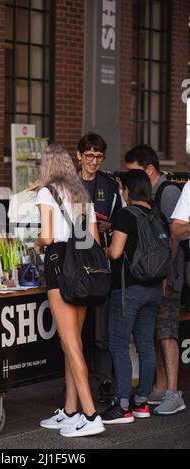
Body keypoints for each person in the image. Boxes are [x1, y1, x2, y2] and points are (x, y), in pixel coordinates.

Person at [34, 143, 105, 438]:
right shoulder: (81, 194)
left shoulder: (45, 192)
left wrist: (36, 243)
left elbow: (48, 236)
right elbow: (94, 240)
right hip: (85, 269)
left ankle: (90, 415)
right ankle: (71, 410)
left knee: (70, 343)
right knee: (71, 343)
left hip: (60, 267)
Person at [125, 145, 186, 415]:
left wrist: (164, 273)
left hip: (168, 275)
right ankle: (160, 386)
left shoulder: (168, 192)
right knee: (154, 330)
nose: (128, 178)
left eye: (133, 172)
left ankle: (173, 392)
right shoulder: (149, 194)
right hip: (156, 274)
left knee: (167, 330)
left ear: (149, 169)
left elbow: (174, 234)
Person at [101, 170, 163, 424]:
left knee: (118, 344)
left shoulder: (125, 215)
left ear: (127, 189)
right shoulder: (158, 215)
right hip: (154, 289)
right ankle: (141, 404)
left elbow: (115, 253)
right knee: (146, 345)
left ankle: (122, 405)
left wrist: (103, 247)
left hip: (128, 290)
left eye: (121, 189)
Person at [77, 132, 122, 402]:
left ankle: (105, 380)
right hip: (73, 264)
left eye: (99, 156)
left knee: (102, 330)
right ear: (79, 155)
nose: (94, 161)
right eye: (90, 156)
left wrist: (109, 227)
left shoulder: (111, 186)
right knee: (76, 329)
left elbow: (123, 223)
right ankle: (75, 382)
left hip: (101, 264)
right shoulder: (66, 183)